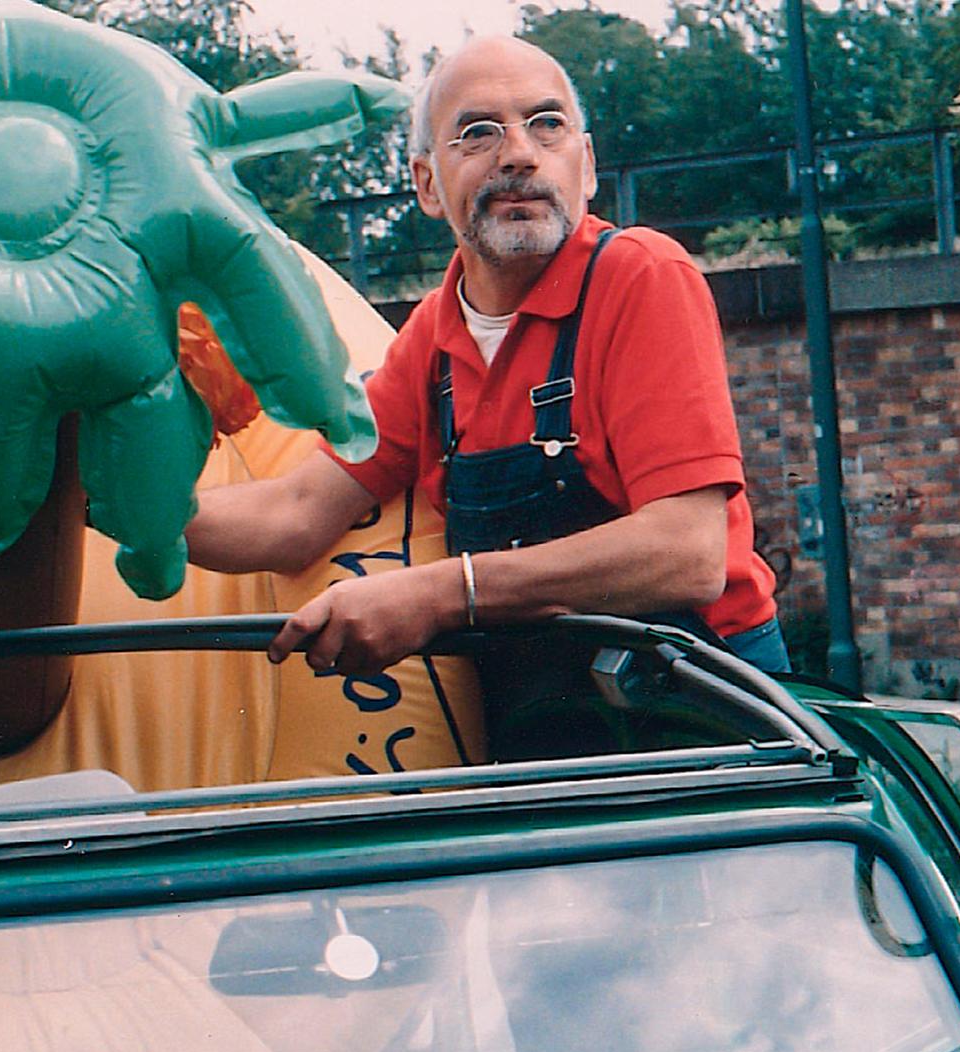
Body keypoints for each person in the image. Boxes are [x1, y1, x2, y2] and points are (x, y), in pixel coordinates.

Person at [185, 35, 787, 754]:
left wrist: (438, 594)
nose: (519, 154)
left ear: (586, 166)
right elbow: (297, 512)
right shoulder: (432, 339)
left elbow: (687, 552)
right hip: (542, 729)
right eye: (477, 132)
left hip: (709, 725)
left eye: (547, 124)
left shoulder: (641, 277)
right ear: (426, 185)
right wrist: (115, 507)